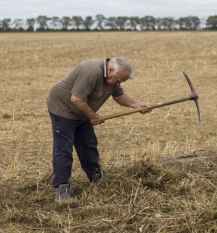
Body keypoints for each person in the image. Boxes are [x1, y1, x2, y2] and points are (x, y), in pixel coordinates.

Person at [46, 57, 151, 202]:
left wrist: (136, 104)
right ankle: (62, 189)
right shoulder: (91, 71)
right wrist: (93, 116)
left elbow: (118, 95)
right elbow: (76, 99)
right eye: (118, 80)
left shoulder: (113, 76)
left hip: (82, 111)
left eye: (121, 82)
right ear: (110, 70)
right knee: (63, 149)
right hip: (63, 108)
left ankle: (97, 179)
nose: (118, 84)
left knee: (88, 145)